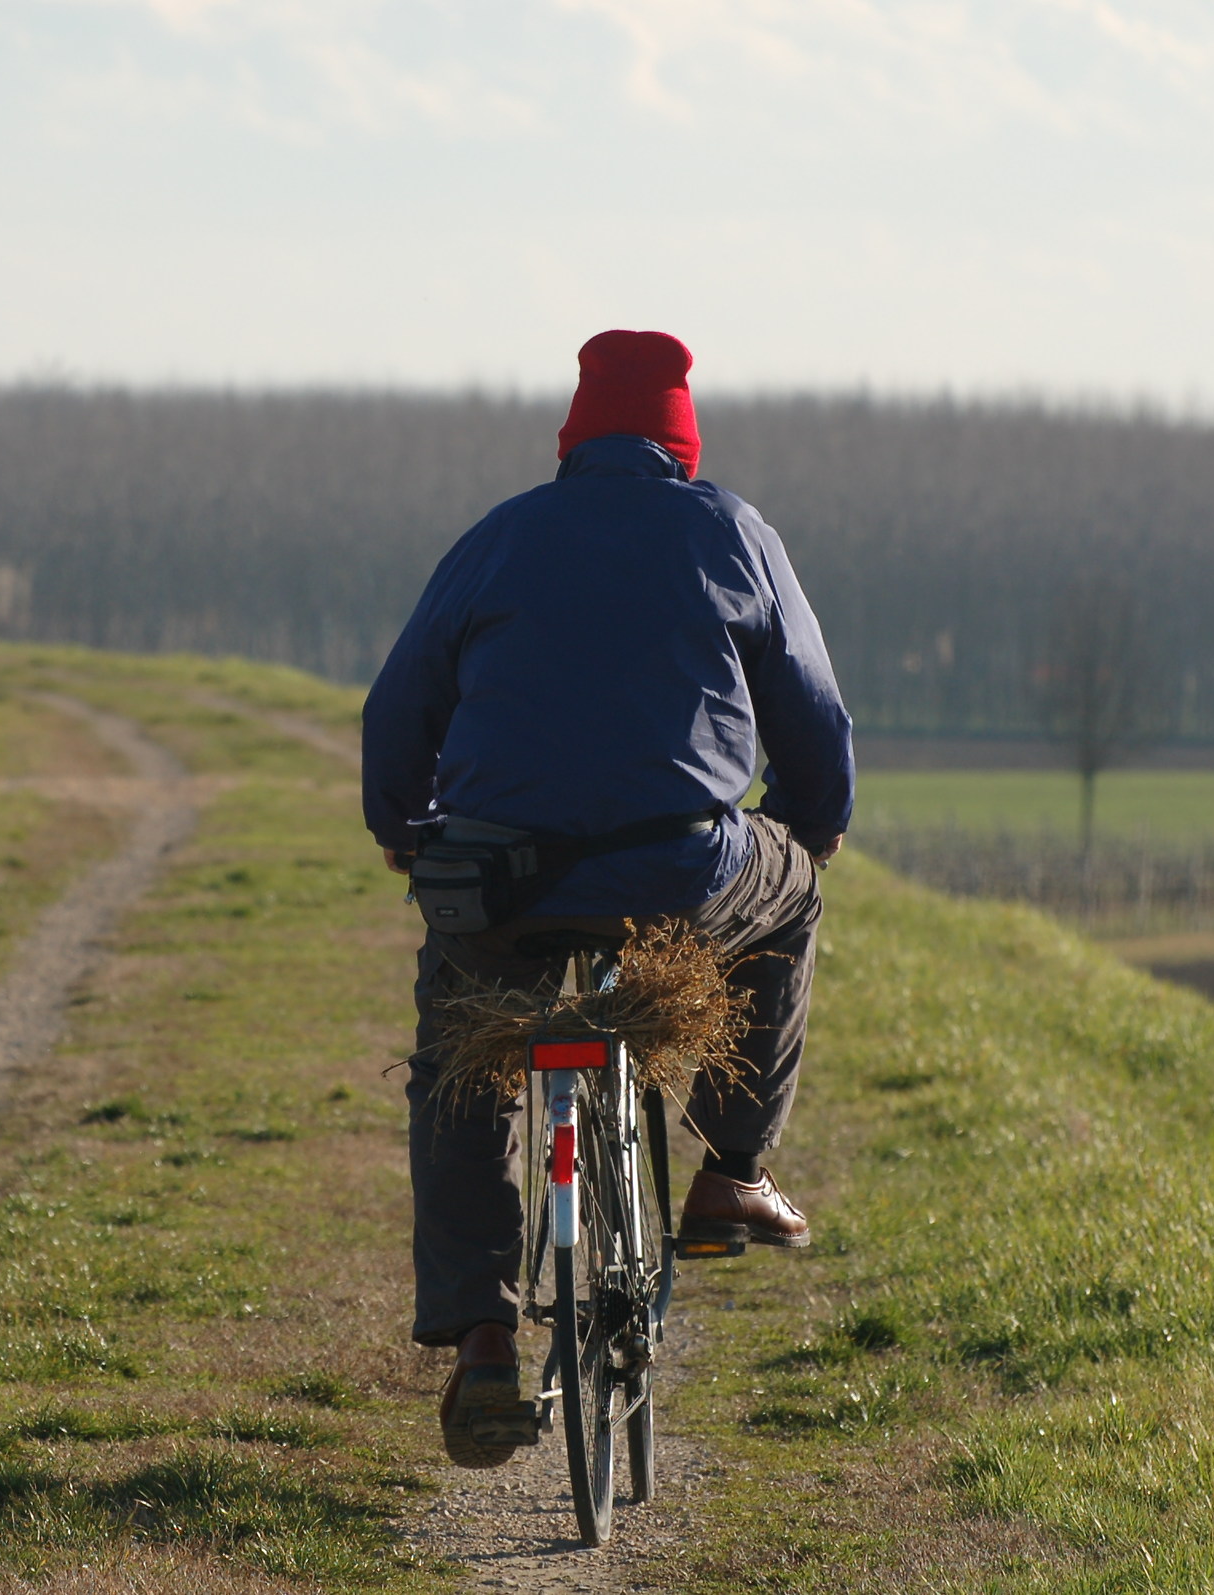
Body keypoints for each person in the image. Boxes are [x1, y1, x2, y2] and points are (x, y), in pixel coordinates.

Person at [362, 329, 855, 1469]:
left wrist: (404, 833)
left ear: (571, 441)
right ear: (681, 445)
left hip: (499, 881)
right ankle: (733, 1175)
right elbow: (814, 714)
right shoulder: (731, 531)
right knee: (794, 894)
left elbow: (399, 706)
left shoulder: (500, 537)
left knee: (462, 1055)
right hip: (677, 874)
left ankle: (484, 1337)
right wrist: (810, 823)